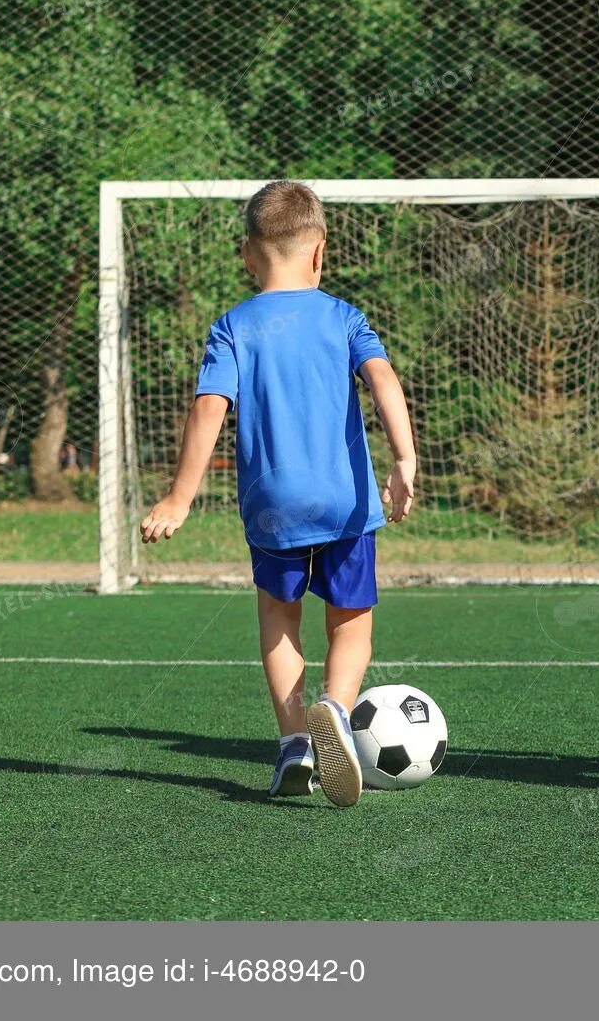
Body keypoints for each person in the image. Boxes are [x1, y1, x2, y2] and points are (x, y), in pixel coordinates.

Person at [139, 180, 417, 808]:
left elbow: (209, 406)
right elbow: (382, 379)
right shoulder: (344, 316)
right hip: (345, 499)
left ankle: (295, 741)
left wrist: (180, 498)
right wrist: (403, 457)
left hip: (273, 505)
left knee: (278, 618)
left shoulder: (232, 326)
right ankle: (338, 712)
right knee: (351, 624)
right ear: (320, 252)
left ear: (247, 254)